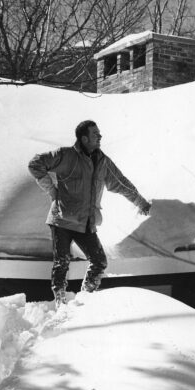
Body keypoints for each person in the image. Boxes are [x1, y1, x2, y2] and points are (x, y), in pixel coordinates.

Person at [28, 120, 151, 306]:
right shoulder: (66, 155)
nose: (100, 137)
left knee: (99, 261)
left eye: (99, 133)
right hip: (61, 219)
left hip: (86, 222)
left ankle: (85, 298)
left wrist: (141, 203)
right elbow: (35, 164)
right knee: (61, 262)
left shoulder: (103, 162)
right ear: (84, 138)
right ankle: (60, 300)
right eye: (95, 134)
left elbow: (121, 182)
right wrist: (52, 191)